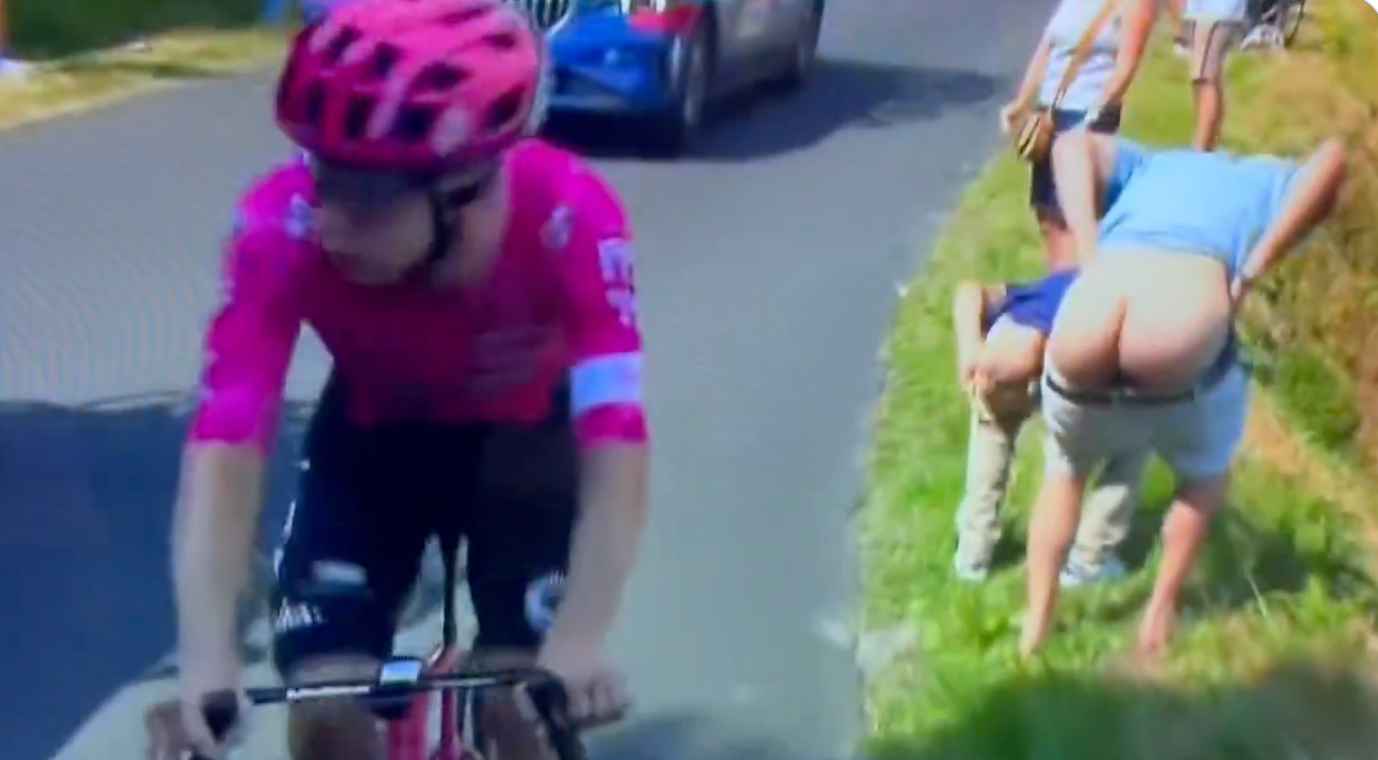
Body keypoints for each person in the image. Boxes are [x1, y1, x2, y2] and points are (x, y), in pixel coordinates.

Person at [162, 2, 651, 759]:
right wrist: (206, 655)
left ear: (467, 188)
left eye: (367, 198)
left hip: (524, 450)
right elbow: (226, 446)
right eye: (321, 177)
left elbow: (616, 445)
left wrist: (580, 639)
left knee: (527, 711)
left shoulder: (573, 218)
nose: (329, 222)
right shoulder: (279, 227)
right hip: (372, 448)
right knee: (327, 712)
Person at [1018, 128, 1348, 660]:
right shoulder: (1268, 181)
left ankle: (1035, 627)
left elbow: (1069, 144)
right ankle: (1159, 612)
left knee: (1065, 470)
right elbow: (1332, 156)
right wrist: (1250, 272)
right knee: (1204, 476)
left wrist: (1087, 245)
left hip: (1093, 305)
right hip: (1178, 324)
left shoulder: (1150, 164)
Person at [952, 270, 1148, 586]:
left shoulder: (1035, 291)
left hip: (1006, 350)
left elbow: (968, 292)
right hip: (1053, 354)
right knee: (1132, 441)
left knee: (993, 435)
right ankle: (1088, 559)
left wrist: (971, 351)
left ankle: (973, 557)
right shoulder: (1117, 292)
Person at [999, 0, 1160, 270]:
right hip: (1050, 115)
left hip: (1087, 114)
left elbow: (1126, 66)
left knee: (1073, 216)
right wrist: (1022, 102)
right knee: (1047, 214)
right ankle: (1058, 283)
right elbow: (1047, 49)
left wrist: (1096, 113)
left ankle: (1081, 281)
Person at [1181, 0, 1249, 151]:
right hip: (1211, 13)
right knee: (1209, 76)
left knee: (1204, 77)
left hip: (1215, 13)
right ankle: (1209, 145)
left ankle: (1201, 148)